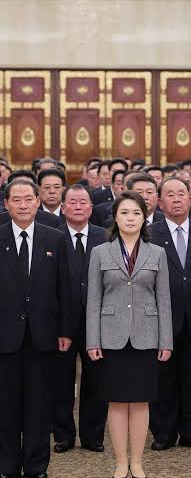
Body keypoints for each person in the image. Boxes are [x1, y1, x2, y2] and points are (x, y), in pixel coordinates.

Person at [86, 190, 173, 478]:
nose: (130, 218)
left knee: (140, 402)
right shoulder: (100, 252)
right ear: (115, 217)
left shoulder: (157, 252)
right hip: (111, 336)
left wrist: (166, 341)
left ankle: (137, 462)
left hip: (146, 336)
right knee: (116, 402)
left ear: (144, 217)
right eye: (124, 212)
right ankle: (120, 463)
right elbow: (93, 300)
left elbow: (164, 300)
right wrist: (93, 340)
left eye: (136, 213)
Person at [0, 178, 73, 478]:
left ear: (38, 201)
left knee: (39, 403)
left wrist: (66, 330)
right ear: (6, 204)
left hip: (43, 334)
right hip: (5, 335)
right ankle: (6, 465)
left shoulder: (55, 239)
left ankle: (36, 464)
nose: (23, 205)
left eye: (28, 199)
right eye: (16, 200)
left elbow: (65, 288)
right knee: (5, 405)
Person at [149, 177, 191, 451]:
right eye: (170, 195)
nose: (176, 199)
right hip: (161, 317)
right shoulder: (149, 234)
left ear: (190, 198)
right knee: (162, 378)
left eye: (181, 194)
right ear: (160, 202)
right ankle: (163, 432)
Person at [53, 184, 108, 454]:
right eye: (72, 202)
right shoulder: (52, 236)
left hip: (97, 321)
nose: (77, 207)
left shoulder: (105, 237)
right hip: (61, 322)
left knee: (96, 380)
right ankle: (63, 435)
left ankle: (92, 436)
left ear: (91, 207)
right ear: (63, 207)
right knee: (61, 381)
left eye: (83, 202)